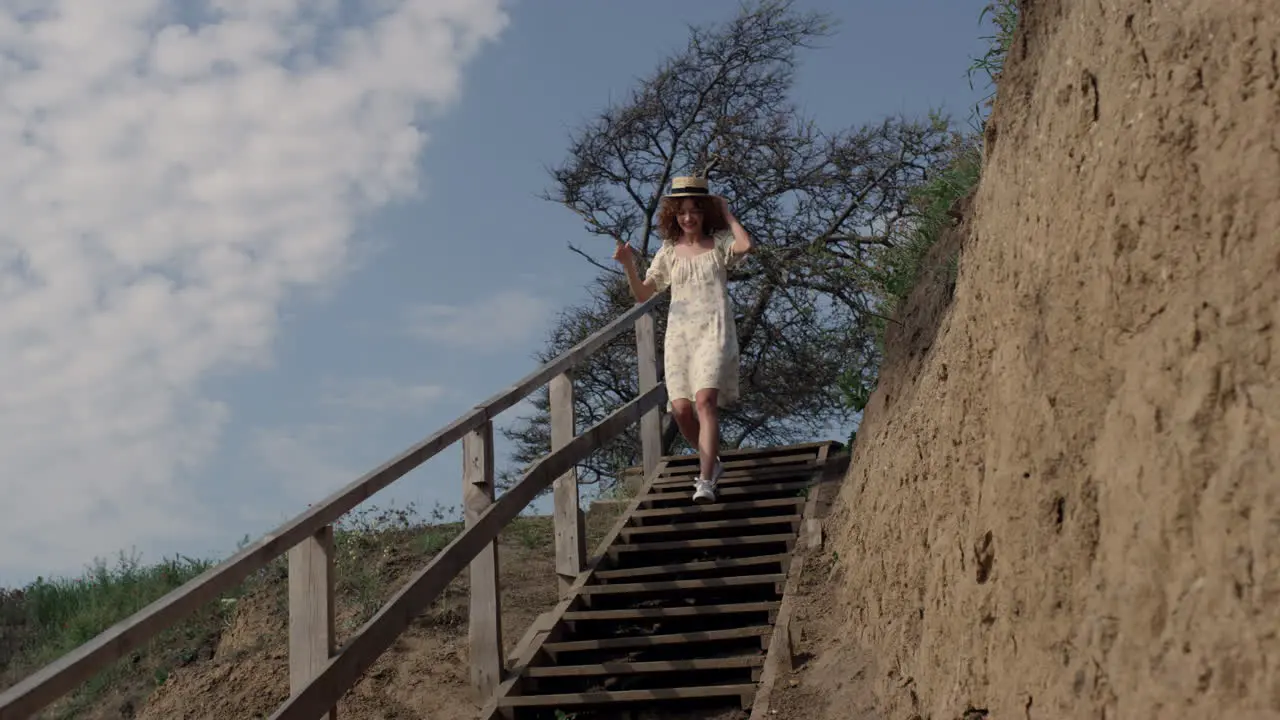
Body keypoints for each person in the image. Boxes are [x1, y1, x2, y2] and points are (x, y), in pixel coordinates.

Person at [612, 175, 753, 503]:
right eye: (682, 211)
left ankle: (704, 480)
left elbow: (745, 246)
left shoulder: (718, 243)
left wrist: (728, 214)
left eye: (695, 211)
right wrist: (628, 264)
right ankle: (712, 463)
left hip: (713, 330)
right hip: (680, 336)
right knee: (680, 410)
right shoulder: (669, 252)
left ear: (705, 213)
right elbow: (644, 293)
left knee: (704, 401)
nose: (688, 217)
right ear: (674, 215)